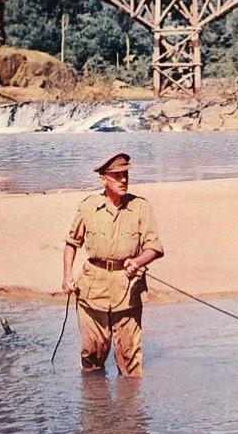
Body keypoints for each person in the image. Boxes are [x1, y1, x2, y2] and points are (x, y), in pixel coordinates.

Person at [62, 152, 163, 376]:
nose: (124, 180)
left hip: (128, 289)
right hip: (92, 290)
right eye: (117, 176)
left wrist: (137, 261)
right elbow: (71, 243)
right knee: (92, 353)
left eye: (125, 174)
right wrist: (67, 276)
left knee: (130, 359)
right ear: (103, 179)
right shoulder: (88, 207)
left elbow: (154, 247)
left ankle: (130, 410)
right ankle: (96, 406)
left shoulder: (140, 207)